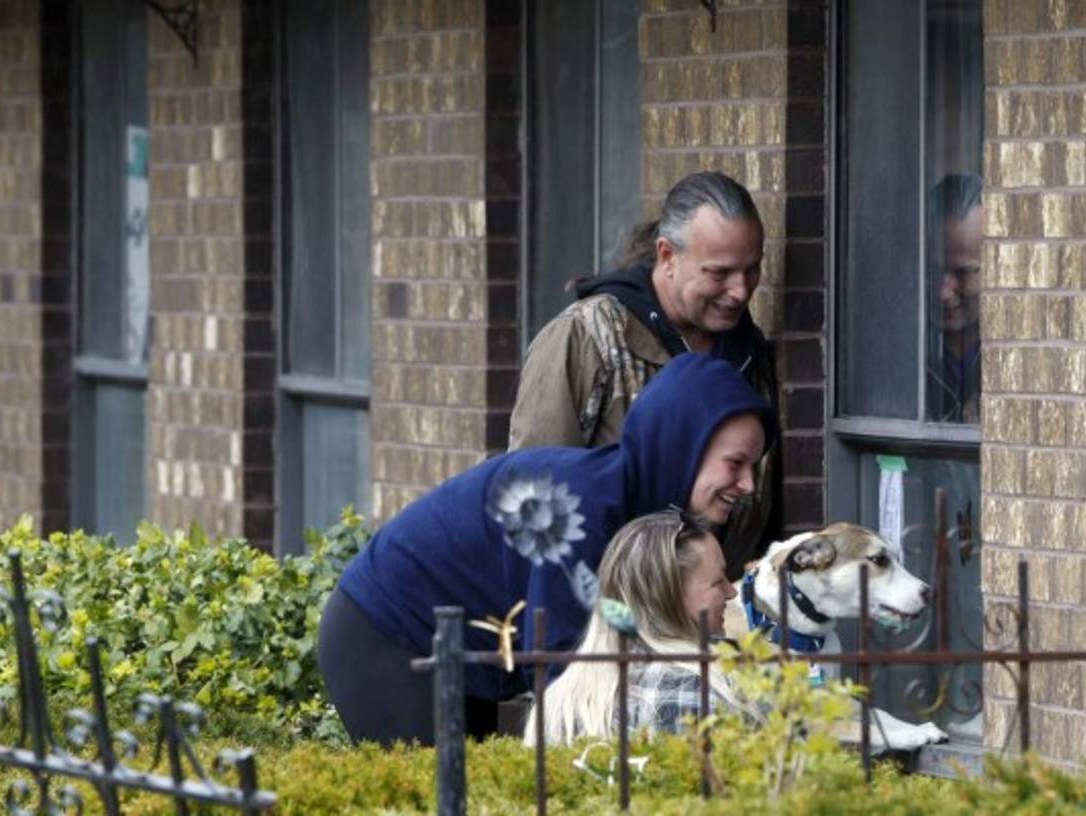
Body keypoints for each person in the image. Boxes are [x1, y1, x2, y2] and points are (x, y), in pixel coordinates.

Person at [318, 353, 773, 746]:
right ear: (682, 447)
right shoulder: (584, 510)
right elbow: (566, 682)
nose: (748, 484)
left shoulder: (639, 512)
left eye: (753, 466)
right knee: (440, 799)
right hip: (386, 633)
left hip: (457, 650)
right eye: (735, 463)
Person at [508, 171, 780, 580]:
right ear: (667, 255)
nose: (741, 291)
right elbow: (534, 490)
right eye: (719, 273)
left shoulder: (750, 352)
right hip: (600, 610)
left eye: (752, 270)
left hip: (713, 613)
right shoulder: (587, 336)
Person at [525, 509, 763, 745]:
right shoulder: (713, 691)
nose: (731, 592)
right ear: (667, 595)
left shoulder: (557, 703)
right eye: (717, 581)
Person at [927, 173, 983, 424]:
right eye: (934, 270)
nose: (943, 292)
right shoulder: (898, 359)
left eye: (963, 273)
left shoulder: (1025, 359)